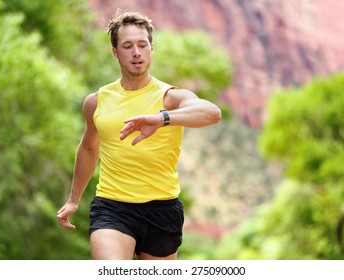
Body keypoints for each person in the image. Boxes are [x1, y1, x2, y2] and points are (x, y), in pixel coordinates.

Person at [56, 10, 222, 260]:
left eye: (142, 45)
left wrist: (162, 119)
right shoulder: (97, 102)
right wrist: (73, 199)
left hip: (163, 208)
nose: (136, 52)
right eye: (128, 46)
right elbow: (89, 148)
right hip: (112, 207)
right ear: (115, 52)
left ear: (151, 49)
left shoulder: (170, 97)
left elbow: (212, 113)